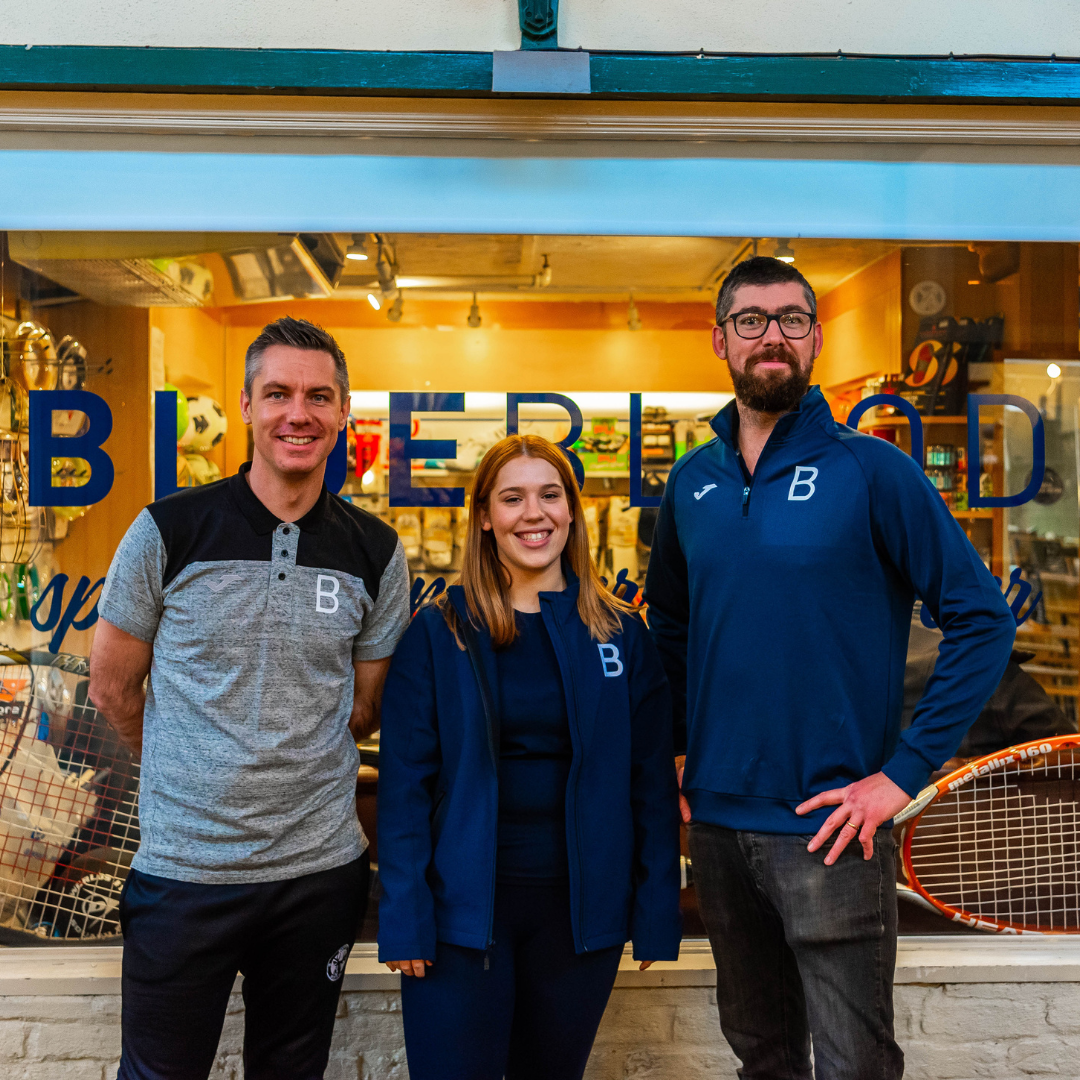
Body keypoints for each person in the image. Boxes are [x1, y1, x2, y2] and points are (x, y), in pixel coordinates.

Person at [645, 256, 1016, 1080]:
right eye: (751, 320)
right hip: (713, 826)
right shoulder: (691, 483)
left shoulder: (873, 471)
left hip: (832, 828)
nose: (771, 336)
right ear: (719, 340)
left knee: (856, 1065)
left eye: (790, 319)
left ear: (815, 338)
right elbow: (670, 625)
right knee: (763, 1059)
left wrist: (902, 776)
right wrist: (674, 747)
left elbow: (983, 621)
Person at [89, 317, 411, 1080]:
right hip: (184, 873)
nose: (297, 413)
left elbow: (364, 708)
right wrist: (190, 768)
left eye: (317, 396)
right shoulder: (168, 530)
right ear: (244, 405)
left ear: (342, 412)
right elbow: (111, 686)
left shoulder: (376, 551)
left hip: (318, 875)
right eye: (277, 394)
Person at [377, 434, 682, 1080]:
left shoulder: (622, 635)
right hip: (460, 920)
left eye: (549, 495)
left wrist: (656, 910)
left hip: (578, 923)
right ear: (484, 516)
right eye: (512, 498)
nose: (533, 514)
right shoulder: (440, 631)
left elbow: (649, 783)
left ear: (572, 510)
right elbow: (404, 786)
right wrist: (403, 914)